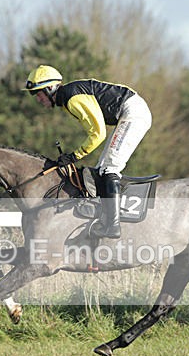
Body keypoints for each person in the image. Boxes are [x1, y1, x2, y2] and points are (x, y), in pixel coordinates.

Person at [23, 65, 152, 238]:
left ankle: (112, 226)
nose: (38, 99)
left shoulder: (71, 98)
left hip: (133, 112)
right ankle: (105, 217)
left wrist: (74, 156)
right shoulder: (68, 98)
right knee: (102, 169)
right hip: (130, 110)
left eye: (38, 93)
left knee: (110, 168)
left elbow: (98, 134)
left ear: (50, 88)